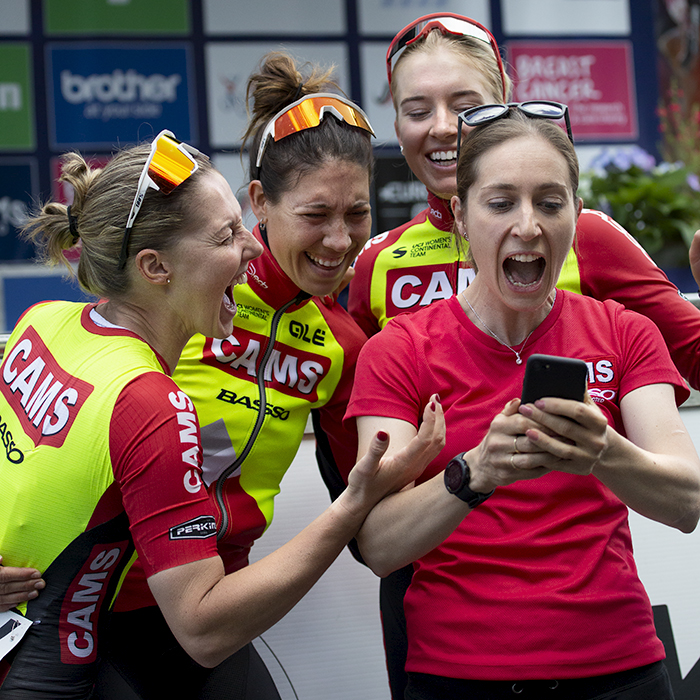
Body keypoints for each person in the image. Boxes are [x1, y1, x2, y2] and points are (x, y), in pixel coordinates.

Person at [0, 129, 445, 698]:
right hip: (100, 650)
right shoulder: (152, 403)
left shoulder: (44, 320)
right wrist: (353, 504)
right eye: (226, 235)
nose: (253, 248)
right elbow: (204, 628)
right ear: (156, 267)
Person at [345, 14, 700, 698]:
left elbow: (686, 500)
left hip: (618, 662)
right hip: (456, 668)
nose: (528, 225)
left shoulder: (621, 328)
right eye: (501, 202)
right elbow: (376, 542)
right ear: (465, 211)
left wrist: (602, 450)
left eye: (550, 202)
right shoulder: (394, 329)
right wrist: (473, 472)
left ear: (576, 211)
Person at [91, 52, 387, 699]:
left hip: (216, 603)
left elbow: (376, 502)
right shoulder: (192, 285)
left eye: (357, 214)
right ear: (260, 202)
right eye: (316, 215)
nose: (339, 240)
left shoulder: (343, 342)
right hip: (97, 601)